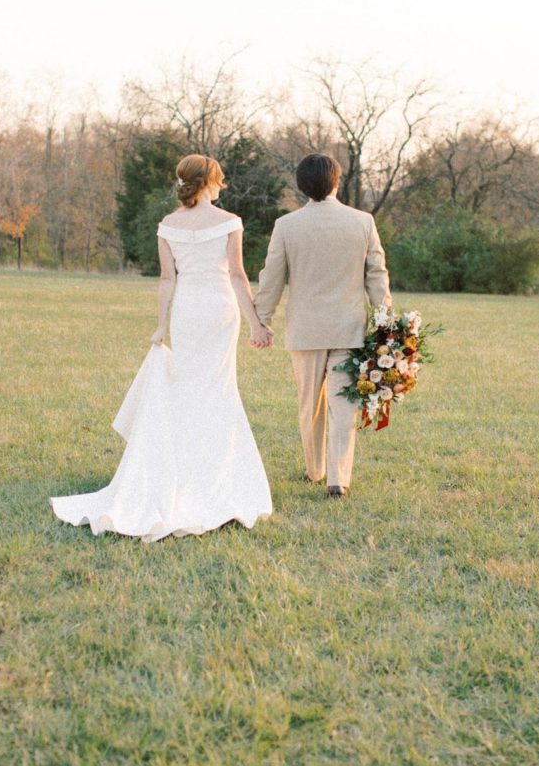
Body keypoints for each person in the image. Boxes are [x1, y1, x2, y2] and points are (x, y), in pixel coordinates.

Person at [50, 154, 273, 541]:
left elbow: (167, 280)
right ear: (208, 183)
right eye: (219, 179)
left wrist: (161, 325)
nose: (222, 185)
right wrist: (256, 322)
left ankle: (188, 470)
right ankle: (211, 476)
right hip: (220, 311)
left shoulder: (168, 225)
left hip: (187, 312)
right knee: (217, 390)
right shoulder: (229, 222)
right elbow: (237, 275)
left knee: (189, 388)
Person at [254, 153, 392, 499]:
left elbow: (272, 278)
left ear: (302, 186)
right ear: (336, 181)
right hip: (349, 328)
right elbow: (376, 274)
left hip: (305, 331)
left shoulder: (287, 226)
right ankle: (338, 479)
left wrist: (262, 319)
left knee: (309, 406)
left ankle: (315, 468)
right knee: (344, 406)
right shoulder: (362, 221)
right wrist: (385, 319)